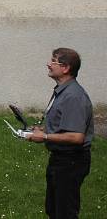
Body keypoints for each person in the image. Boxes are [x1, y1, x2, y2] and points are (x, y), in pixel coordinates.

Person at [27, 48, 93, 218]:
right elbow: (64, 125)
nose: (49, 64)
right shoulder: (62, 91)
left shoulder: (74, 96)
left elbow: (77, 137)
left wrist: (46, 136)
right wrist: (43, 130)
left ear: (65, 68)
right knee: (53, 209)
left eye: (53, 61)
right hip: (60, 160)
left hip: (71, 161)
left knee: (65, 213)